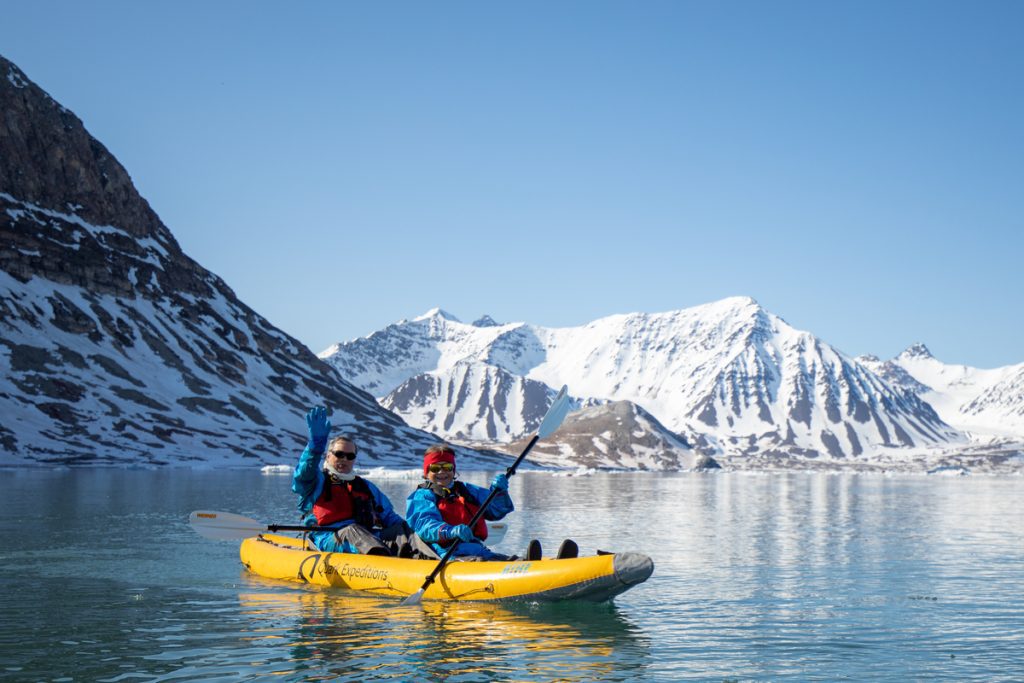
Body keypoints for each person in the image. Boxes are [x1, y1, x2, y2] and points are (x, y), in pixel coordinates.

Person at [292, 406, 412, 556]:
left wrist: (407, 531)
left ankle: (420, 557)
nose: (344, 459)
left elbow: (389, 516)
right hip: (328, 538)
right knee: (352, 530)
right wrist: (315, 447)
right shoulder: (316, 481)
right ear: (328, 456)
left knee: (402, 528)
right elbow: (302, 475)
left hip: (367, 538)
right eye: (339, 454)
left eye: (350, 456)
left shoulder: (365, 487)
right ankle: (382, 560)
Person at [406, 444, 541, 561]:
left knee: (497, 558)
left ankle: (524, 562)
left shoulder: (467, 490)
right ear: (426, 472)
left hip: (476, 549)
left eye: (447, 467)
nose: (442, 472)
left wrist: (499, 493)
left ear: (453, 470)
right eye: (435, 468)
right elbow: (423, 524)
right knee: (479, 561)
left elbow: (497, 512)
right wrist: (450, 531)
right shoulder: (422, 496)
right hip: (445, 553)